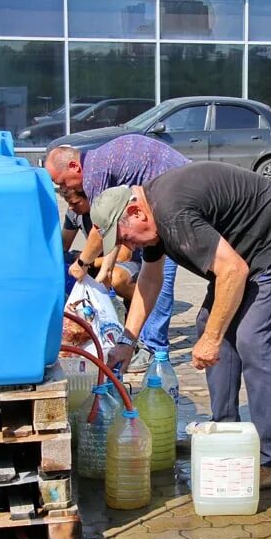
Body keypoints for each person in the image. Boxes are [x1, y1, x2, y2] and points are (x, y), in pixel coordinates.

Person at [93, 161, 271, 489]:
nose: (129, 246)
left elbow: (233, 271)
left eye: (125, 236)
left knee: (253, 340)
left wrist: (212, 339)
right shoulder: (153, 216)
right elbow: (151, 280)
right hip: (245, 252)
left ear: (136, 212)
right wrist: (128, 340)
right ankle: (224, 432)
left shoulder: (171, 213)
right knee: (210, 323)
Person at [45, 135, 187, 371]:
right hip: (157, 206)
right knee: (151, 277)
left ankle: (155, 350)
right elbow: (112, 228)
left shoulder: (94, 176)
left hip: (174, 207)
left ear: (74, 166)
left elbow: (102, 228)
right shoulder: (99, 163)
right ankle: (142, 342)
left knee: (159, 281)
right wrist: (106, 268)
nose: (63, 189)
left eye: (61, 182)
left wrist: (83, 262)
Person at [58, 184, 140, 301]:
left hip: (130, 260)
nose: (71, 208)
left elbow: (123, 256)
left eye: (75, 203)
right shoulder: (74, 212)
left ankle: (149, 305)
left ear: (89, 198)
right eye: (68, 203)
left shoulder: (108, 211)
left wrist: (86, 262)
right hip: (96, 259)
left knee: (116, 278)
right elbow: (63, 245)